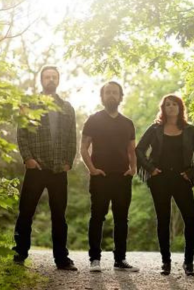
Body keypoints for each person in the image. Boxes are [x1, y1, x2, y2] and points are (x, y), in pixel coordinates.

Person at [13, 65, 77, 271]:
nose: (50, 80)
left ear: (58, 80)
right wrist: (28, 159)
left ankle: (61, 259)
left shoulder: (67, 107)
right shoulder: (29, 104)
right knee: (26, 212)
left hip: (59, 169)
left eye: (54, 77)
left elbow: (71, 138)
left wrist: (69, 160)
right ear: (41, 80)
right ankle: (20, 254)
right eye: (47, 77)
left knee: (59, 215)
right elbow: (21, 135)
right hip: (36, 168)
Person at [136, 94, 194, 276]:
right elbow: (139, 150)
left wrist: (190, 173)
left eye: (174, 104)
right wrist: (150, 169)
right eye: (167, 104)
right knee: (163, 220)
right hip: (160, 180)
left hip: (182, 180)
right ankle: (166, 262)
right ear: (163, 108)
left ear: (180, 108)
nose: (171, 107)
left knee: (191, 219)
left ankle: (188, 263)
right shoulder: (155, 128)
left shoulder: (190, 130)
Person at [81, 81, 139, 272]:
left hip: (122, 177)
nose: (111, 95)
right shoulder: (93, 120)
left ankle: (120, 260)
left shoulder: (127, 123)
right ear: (102, 97)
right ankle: (94, 259)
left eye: (115, 92)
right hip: (100, 177)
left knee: (122, 219)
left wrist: (133, 169)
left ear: (121, 97)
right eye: (108, 92)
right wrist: (92, 169)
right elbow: (83, 148)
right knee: (97, 217)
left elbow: (132, 150)